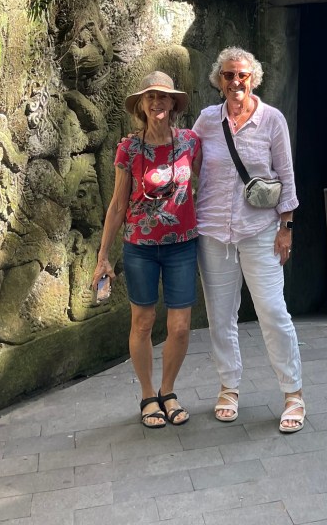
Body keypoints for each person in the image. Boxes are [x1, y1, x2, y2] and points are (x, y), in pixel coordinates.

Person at [192, 46, 305, 433]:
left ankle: (293, 393)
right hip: (213, 232)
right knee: (220, 316)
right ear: (218, 80)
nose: (235, 81)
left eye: (242, 74)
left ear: (253, 78)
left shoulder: (271, 119)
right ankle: (228, 387)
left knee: (272, 311)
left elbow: (286, 176)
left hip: (260, 231)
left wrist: (287, 228)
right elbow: (188, 161)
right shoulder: (207, 120)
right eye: (228, 75)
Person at [92, 71, 202, 428]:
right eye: (150, 97)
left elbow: (203, 184)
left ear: (173, 103)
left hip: (182, 246)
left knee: (180, 327)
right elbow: (117, 204)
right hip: (139, 247)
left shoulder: (190, 142)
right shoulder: (129, 148)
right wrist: (103, 257)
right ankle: (147, 395)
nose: (157, 103)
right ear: (141, 105)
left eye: (163, 96)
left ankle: (168, 391)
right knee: (142, 322)